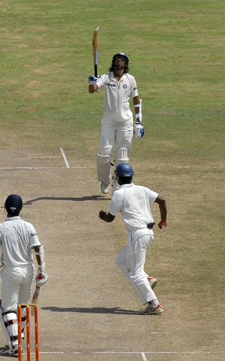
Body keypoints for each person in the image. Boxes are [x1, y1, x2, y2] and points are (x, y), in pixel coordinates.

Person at [99, 163, 167, 314]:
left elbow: (109, 219)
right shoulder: (142, 189)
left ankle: (154, 304)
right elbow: (162, 200)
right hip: (148, 234)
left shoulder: (118, 194)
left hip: (137, 235)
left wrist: (102, 215)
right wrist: (163, 220)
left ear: (116, 177)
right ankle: (147, 280)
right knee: (121, 261)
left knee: (136, 274)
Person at [0, 195, 47, 356]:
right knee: (22, 306)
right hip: (28, 270)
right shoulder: (28, 226)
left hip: (11, 272)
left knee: (8, 309)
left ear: (5, 208)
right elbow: (38, 249)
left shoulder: (0, 228)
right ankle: (18, 339)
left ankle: (15, 344)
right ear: (21, 209)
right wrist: (42, 271)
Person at [89, 52, 145, 194]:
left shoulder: (130, 79)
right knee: (104, 154)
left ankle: (117, 184)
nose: (119, 61)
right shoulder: (106, 78)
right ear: (113, 62)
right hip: (109, 121)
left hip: (125, 122)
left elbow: (136, 100)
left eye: (122, 59)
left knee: (122, 156)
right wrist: (92, 82)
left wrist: (138, 122)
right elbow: (93, 90)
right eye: (117, 59)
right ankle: (105, 180)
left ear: (126, 64)